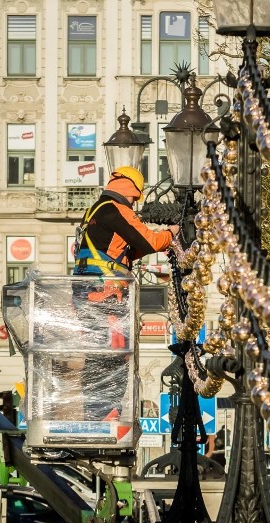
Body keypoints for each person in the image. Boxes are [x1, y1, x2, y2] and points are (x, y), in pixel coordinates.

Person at [70, 166, 180, 421]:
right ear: (132, 190)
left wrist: (153, 244)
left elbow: (123, 252)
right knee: (113, 353)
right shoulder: (116, 210)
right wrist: (172, 234)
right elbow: (150, 241)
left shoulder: (95, 210)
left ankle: (95, 412)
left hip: (87, 292)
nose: (134, 203)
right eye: (135, 197)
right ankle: (106, 414)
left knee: (97, 354)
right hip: (105, 295)